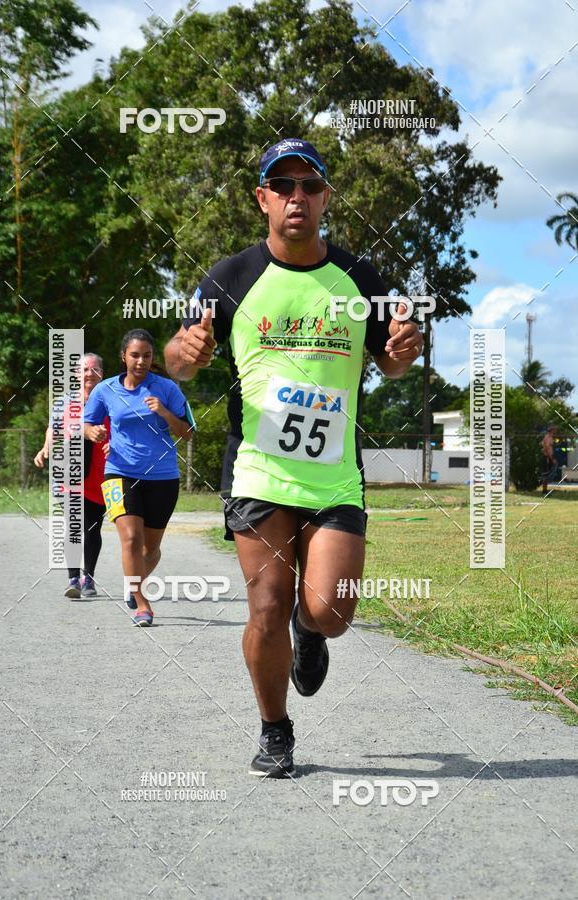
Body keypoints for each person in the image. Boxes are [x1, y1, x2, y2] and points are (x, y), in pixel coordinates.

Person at [164, 138, 424, 777]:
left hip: (334, 475)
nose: (296, 196)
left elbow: (391, 359)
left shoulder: (361, 279)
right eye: (283, 186)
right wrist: (185, 355)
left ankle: (310, 636)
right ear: (263, 199)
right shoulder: (229, 279)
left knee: (329, 612)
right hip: (258, 469)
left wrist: (402, 351)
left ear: (326, 197)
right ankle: (275, 730)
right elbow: (178, 358)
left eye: (309, 185)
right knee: (266, 606)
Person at [84, 329, 195, 627]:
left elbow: (188, 433)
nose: (141, 361)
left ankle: (134, 583)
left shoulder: (167, 389)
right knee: (131, 539)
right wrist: (93, 432)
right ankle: (142, 604)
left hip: (163, 477)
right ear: (124, 356)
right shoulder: (105, 389)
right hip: (119, 472)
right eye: (135, 355)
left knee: (151, 550)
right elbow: (86, 423)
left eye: (147, 356)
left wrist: (165, 413)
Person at [34, 353, 109, 599]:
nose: (89, 374)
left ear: (102, 373)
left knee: (93, 527)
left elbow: (121, 429)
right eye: (84, 369)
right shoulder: (64, 402)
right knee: (74, 525)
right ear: (76, 374)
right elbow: (53, 428)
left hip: (99, 474)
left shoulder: (111, 399)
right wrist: (45, 448)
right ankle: (73, 579)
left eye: (94, 369)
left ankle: (89, 578)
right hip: (69, 473)